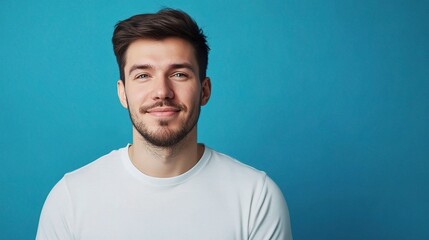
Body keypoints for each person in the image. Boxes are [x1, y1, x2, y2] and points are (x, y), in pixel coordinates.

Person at [36, 8, 292, 240]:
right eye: (143, 75)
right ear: (122, 93)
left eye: (179, 74)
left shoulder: (256, 197)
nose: (162, 91)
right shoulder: (70, 199)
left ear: (204, 91)